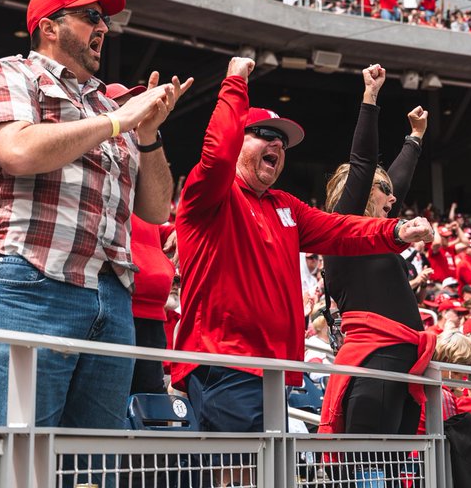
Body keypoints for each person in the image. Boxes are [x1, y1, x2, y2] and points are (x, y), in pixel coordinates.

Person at [0, 0, 191, 427]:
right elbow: (18, 152)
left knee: (91, 463)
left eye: (104, 19)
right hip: (31, 281)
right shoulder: (10, 73)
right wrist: (116, 120)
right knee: (21, 455)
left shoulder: (106, 103)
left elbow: (154, 209)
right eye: (90, 16)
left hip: (110, 295)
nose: (103, 27)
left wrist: (146, 134)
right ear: (49, 27)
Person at [172, 55, 434, 432]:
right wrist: (233, 86)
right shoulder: (213, 195)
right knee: (235, 470)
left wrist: (395, 232)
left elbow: (341, 230)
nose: (277, 144)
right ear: (236, 141)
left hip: (278, 366)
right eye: (264, 134)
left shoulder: (286, 206)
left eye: (282, 142)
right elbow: (215, 158)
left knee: (262, 471)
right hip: (224, 359)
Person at [319, 65, 432, 437]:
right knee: (366, 465)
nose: (394, 198)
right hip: (375, 358)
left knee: (397, 464)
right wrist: (370, 97)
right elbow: (365, 163)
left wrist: (414, 138)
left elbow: (396, 178)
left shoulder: (374, 233)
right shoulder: (341, 227)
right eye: (384, 192)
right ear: (365, 193)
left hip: (401, 358)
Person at [108, 82, 176, 395]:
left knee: (150, 405)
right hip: (120, 307)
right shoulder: (107, 178)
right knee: (116, 401)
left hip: (153, 312)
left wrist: (179, 235)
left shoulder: (143, 181)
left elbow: (163, 224)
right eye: (123, 106)